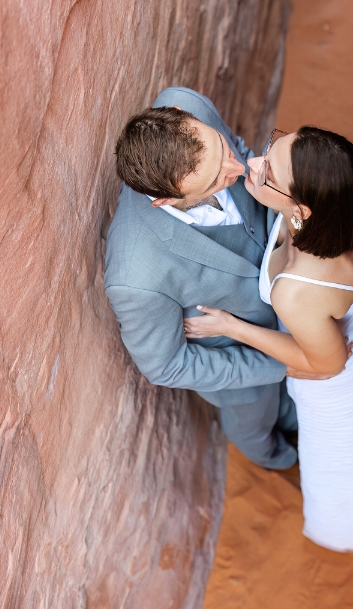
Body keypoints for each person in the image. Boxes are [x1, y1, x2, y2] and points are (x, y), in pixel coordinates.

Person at [184, 126, 353, 588]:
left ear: (301, 209)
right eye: (274, 145)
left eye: (268, 171)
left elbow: (329, 364)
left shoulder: (298, 290)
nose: (255, 163)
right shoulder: (349, 199)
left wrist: (233, 327)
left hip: (348, 379)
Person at [104, 86, 301, 472]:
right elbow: (166, 365)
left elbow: (243, 155)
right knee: (257, 432)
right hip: (245, 372)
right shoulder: (134, 276)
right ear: (164, 200)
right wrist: (278, 366)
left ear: (183, 113)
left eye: (221, 150)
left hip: (293, 293)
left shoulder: (188, 103)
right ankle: (285, 460)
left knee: (300, 403)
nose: (237, 170)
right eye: (213, 181)